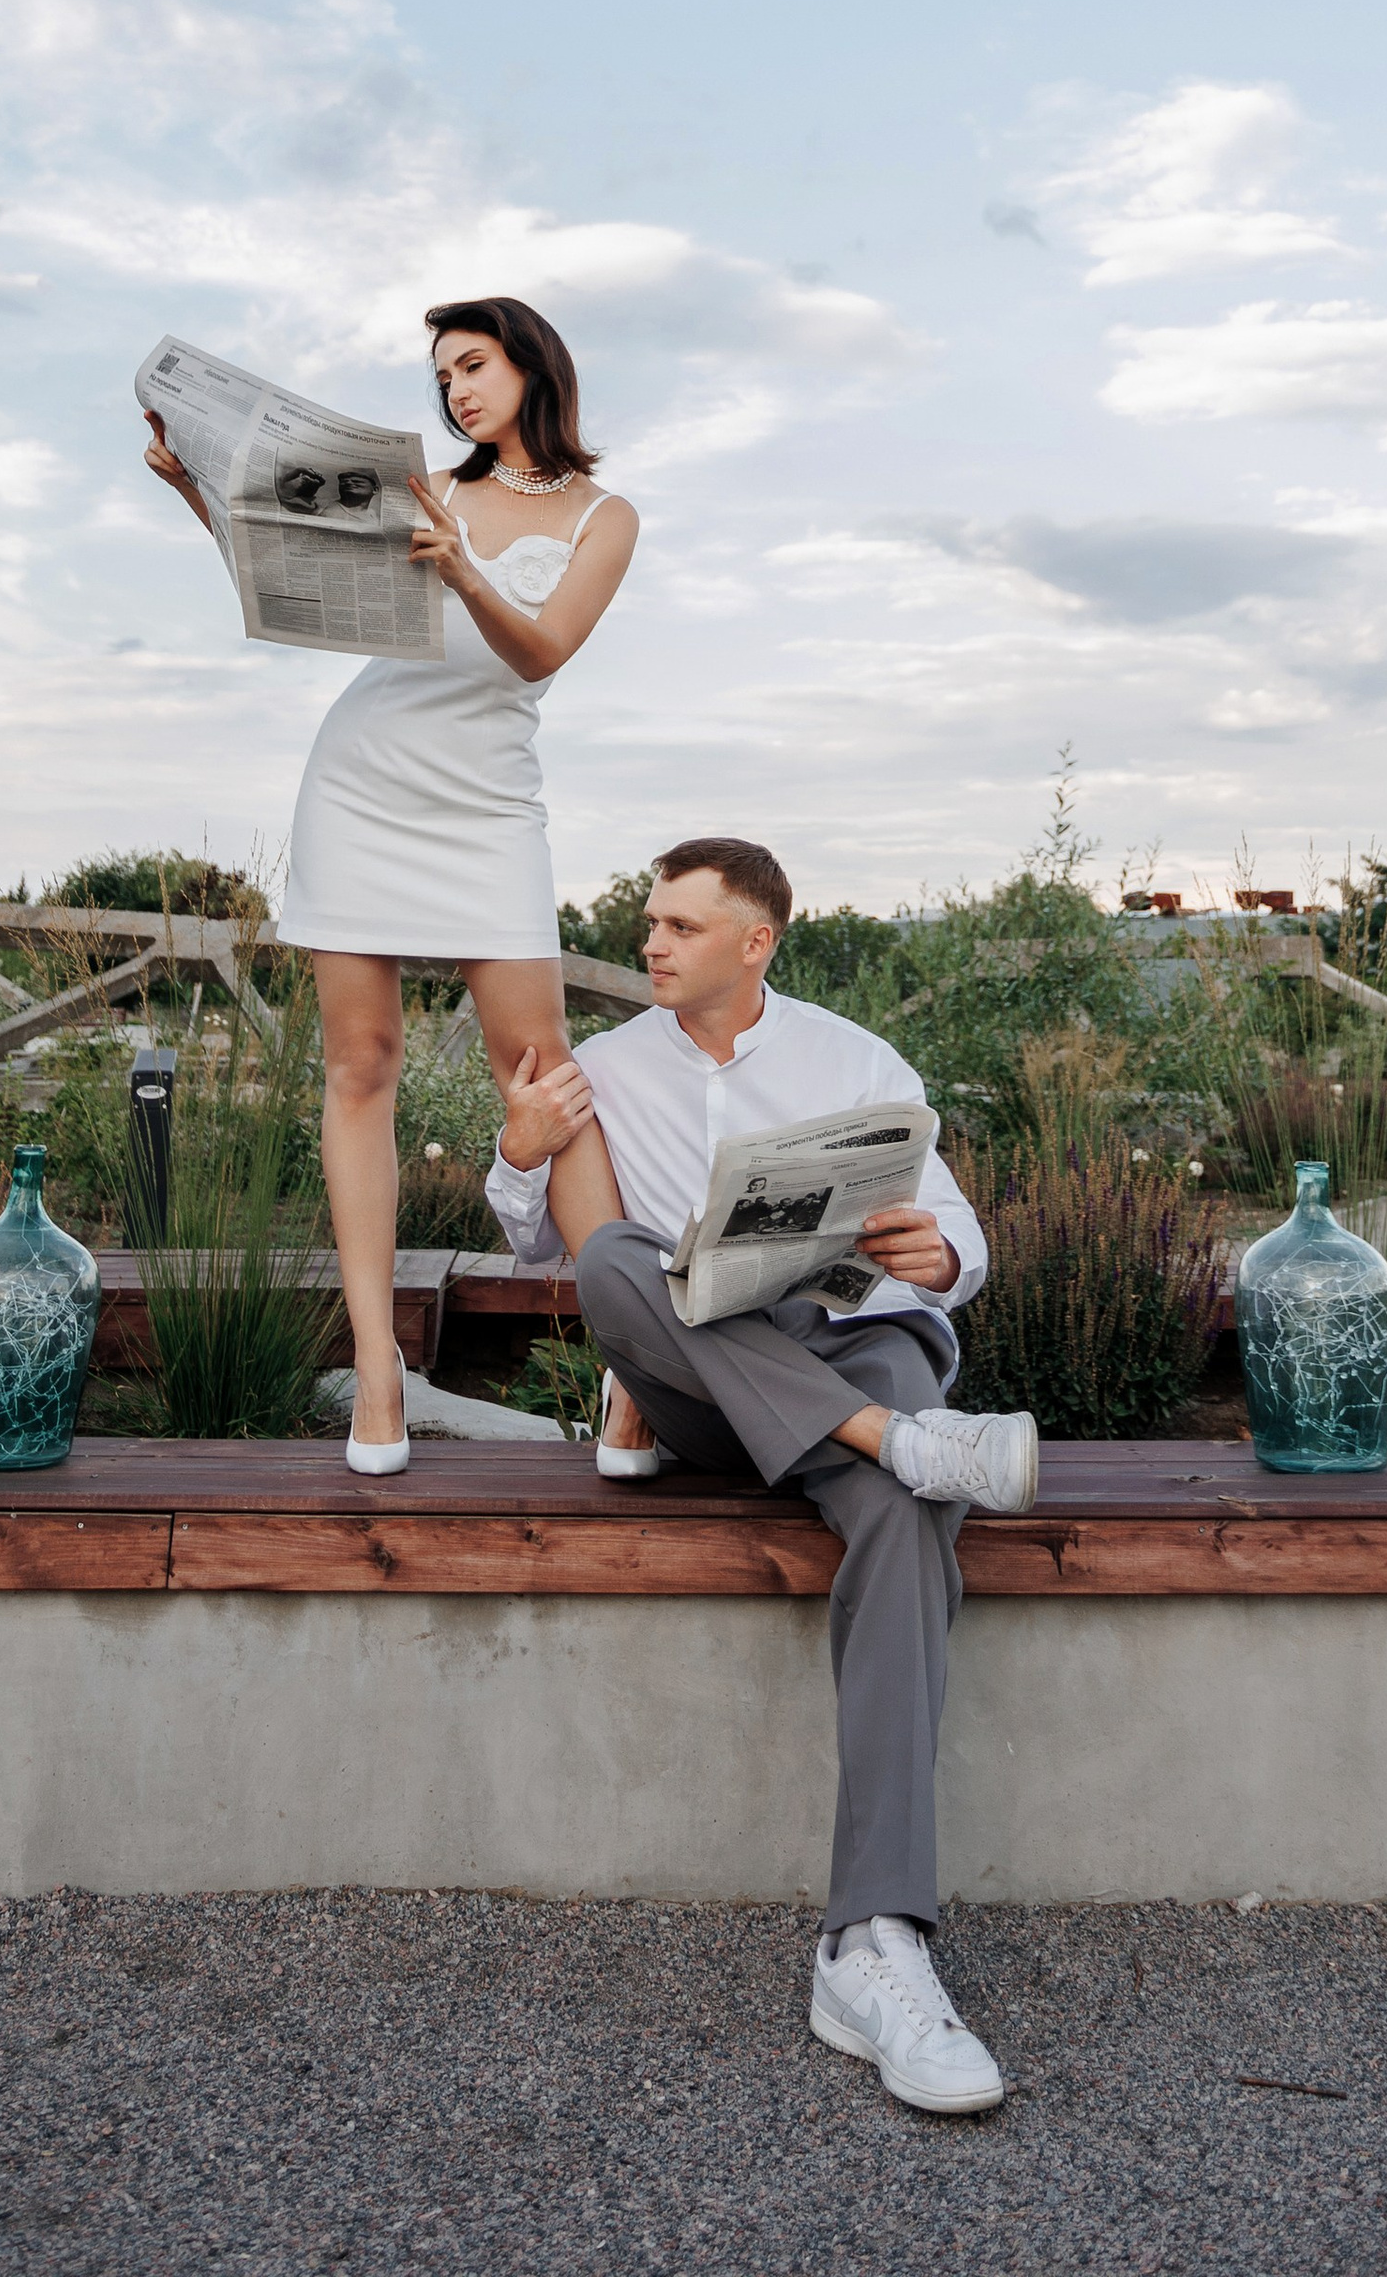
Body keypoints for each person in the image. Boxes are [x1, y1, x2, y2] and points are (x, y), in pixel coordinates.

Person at [485, 838, 1040, 2118]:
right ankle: (896, 1441)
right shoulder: (608, 1073)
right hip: (712, 1382)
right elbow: (530, 1243)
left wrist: (935, 1255)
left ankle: (871, 1944)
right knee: (621, 1261)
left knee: (907, 1516)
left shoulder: (856, 1062)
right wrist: (521, 1151)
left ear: (757, 941)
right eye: (649, 924)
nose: (653, 946)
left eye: (682, 926)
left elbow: (960, 1239)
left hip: (855, 1337)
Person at [144, 296, 646, 1474]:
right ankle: (379, 1368)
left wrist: (465, 572)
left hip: (488, 806)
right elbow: (295, 587)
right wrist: (194, 491)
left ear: (532, 366)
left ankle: (640, 1362)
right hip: (363, 782)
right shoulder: (421, 484)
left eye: (474, 365)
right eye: (442, 376)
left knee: (543, 1077)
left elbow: (541, 650)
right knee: (358, 1064)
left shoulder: (606, 516)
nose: (457, 390)